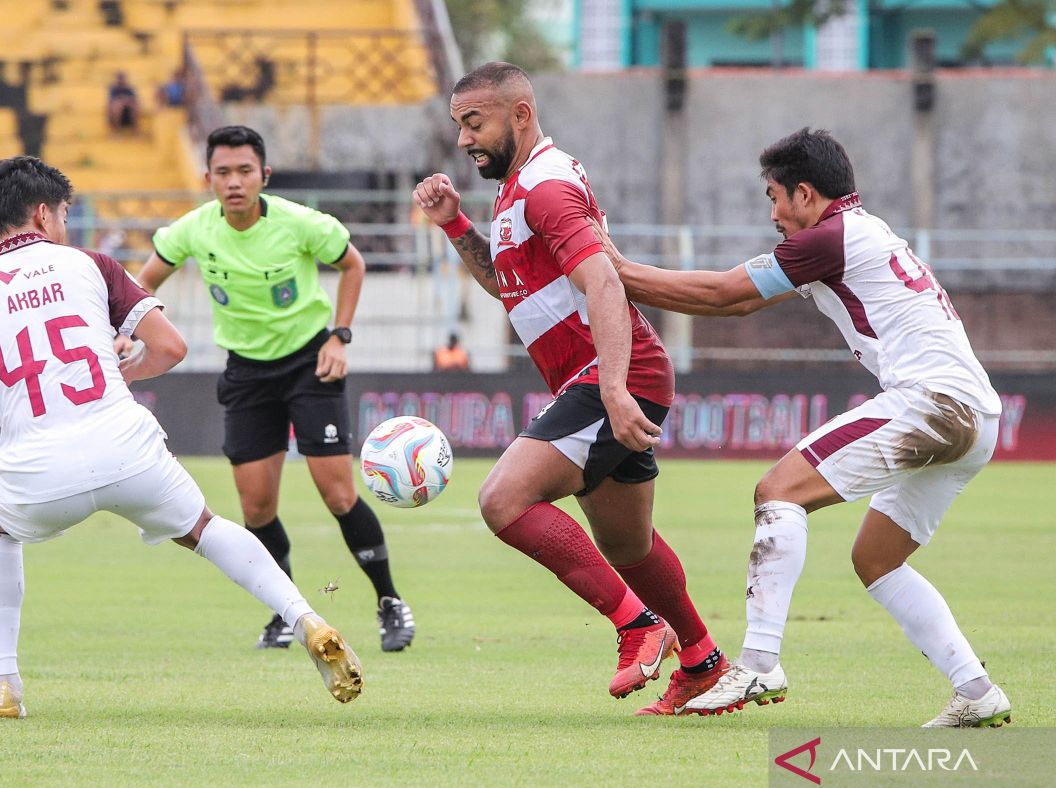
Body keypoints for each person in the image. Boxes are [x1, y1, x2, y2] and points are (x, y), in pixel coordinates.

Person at [0, 156, 363, 718]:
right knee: (205, 529)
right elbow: (171, 348)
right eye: (63, 214)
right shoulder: (91, 264)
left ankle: (4, 686)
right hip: (127, 448)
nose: (65, 226)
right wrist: (119, 375)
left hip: (38, 472)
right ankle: (305, 618)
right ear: (42, 214)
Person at [594, 128, 1011, 727]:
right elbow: (737, 300)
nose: (773, 214)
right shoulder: (857, 232)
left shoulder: (830, 237)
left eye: (774, 197)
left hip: (932, 402)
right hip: (979, 415)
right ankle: (975, 689)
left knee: (777, 491)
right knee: (878, 560)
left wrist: (610, 267)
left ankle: (760, 661)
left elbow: (723, 296)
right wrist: (622, 270)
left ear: (806, 193)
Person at [413, 62, 728, 714]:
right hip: (611, 376)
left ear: (520, 114)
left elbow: (605, 282)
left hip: (611, 374)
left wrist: (613, 386)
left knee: (503, 499)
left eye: (475, 123)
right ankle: (701, 661)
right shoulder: (516, 190)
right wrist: (454, 225)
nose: (465, 139)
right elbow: (512, 291)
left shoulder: (546, 190)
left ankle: (640, 626)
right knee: (627, 544)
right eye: (459, 127)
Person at [133, 125, 416, 652]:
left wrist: (340, 336)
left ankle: (389, 601)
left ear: (264, 175)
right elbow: (142, 284)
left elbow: (352, 264)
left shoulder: (300, 223)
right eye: (223, 173)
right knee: (256, 507)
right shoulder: (192, 231)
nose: (234, 182)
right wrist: (135, 329)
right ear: (208, 179)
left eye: (245, 171)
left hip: (311, 364)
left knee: (337, 493)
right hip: (245, 371)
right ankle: (286, 613)